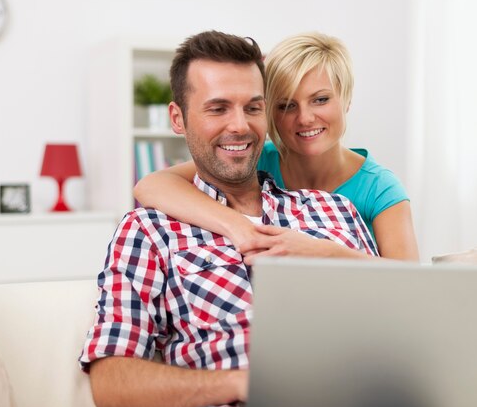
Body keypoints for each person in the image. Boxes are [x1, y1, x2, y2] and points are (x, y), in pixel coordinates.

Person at [79, 30, 377, 407]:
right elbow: (111, 384)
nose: (239, 126)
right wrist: (243, 382)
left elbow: (402, 323)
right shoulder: (149, 231)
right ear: (178, 118)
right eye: (218, 108)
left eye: (252, 108)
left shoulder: (334, 210)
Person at [134, 32, 419, 262]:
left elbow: (411, 285)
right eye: (286, 105)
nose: (305, 118)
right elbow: (151, 185)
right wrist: (240, 226)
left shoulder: (379, 188)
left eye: (320, 100)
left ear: (346, 100)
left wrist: (324, 252)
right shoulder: (256, 161)